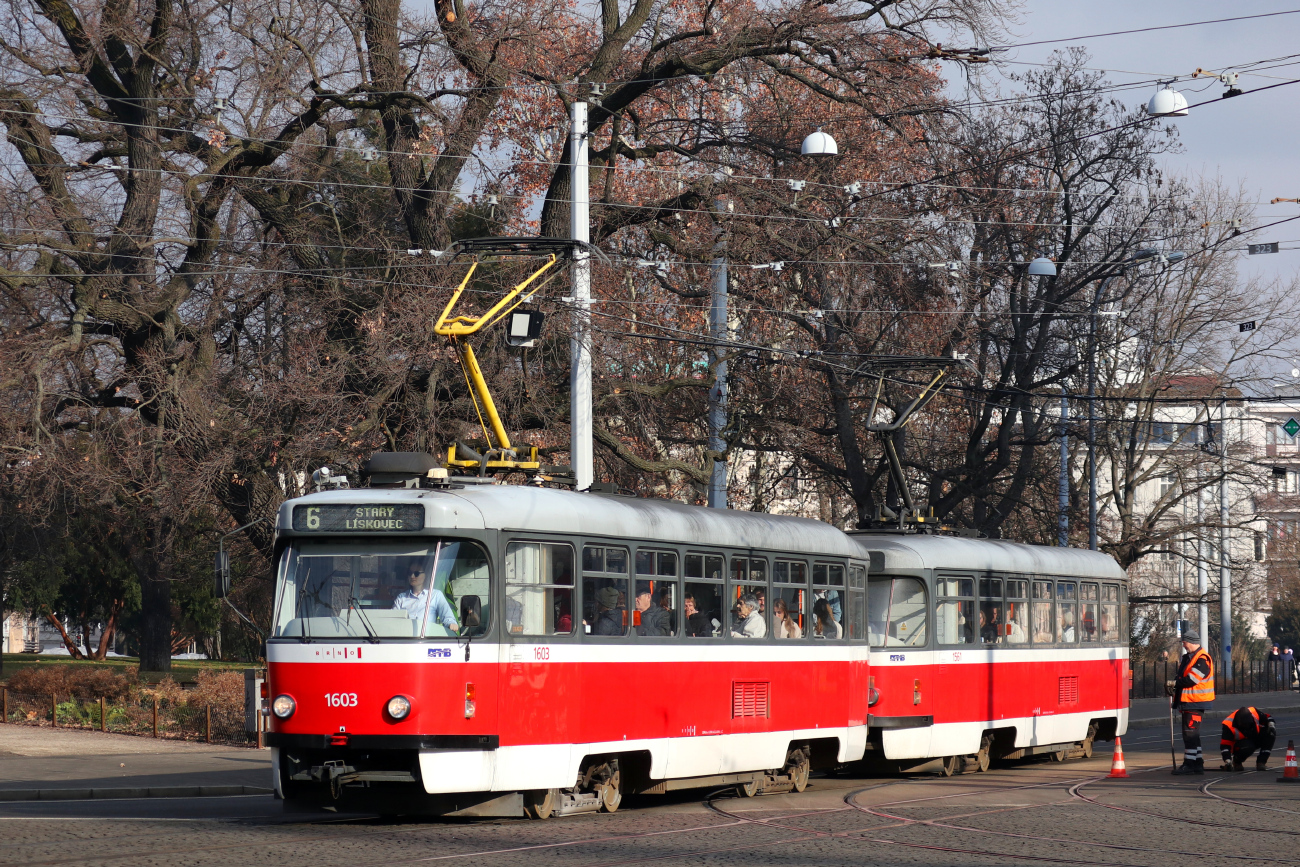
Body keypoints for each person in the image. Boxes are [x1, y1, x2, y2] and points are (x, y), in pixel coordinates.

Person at [1167, 627, 1215, 775]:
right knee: (1193, 734)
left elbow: (1192, 680)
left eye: (1185, 642)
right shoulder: (1189, 657)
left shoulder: (1201, 659)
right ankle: (1197, 763)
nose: (1183, 645)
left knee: (1189, 734)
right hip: (1190, 701)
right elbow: (1183, 676)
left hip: (1195, 701)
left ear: (1191, 642)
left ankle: (1189, 764)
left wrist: (1175, 684)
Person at [393, 563, 459, 631]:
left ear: (425, 575)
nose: (412, 576)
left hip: (427, 639)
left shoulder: (435, 595)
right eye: (410, 573)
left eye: (416, 573)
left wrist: (451, 624)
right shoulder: (401, 598)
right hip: (405, 638)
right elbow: (392, 619)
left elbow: (447, 616)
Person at [1218, 706, 1276, 771]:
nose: (1247, 727)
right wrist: (1227, 761)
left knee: (1270, 734)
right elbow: (1225, 746)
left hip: (1253, 736)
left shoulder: (1254, 712)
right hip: (1240, 745)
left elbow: (1268, 717)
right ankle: (1237, 761)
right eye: (1244, 726)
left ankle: (1261, 762)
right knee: (1248, 747)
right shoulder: (1228, 725)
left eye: (1249, 724)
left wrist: (1271, 725)